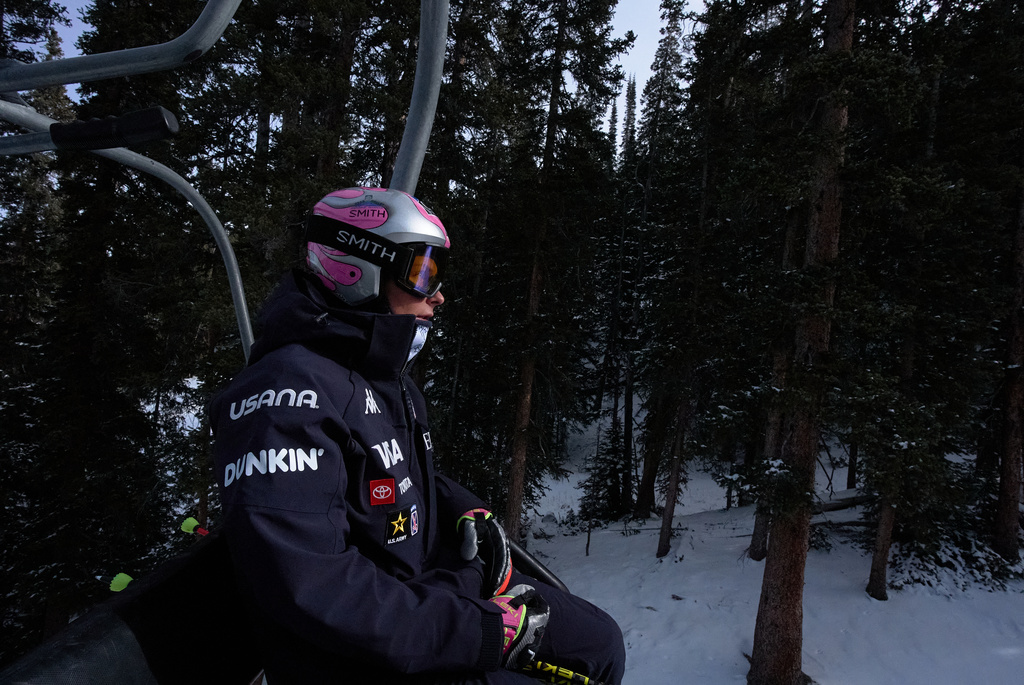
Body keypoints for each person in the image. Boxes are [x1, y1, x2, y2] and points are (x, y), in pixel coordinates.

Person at [210, 187, 625, 685]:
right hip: (364, 654)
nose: (438, 294)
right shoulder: (283, 396)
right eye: (423, 271)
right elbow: (310, 585)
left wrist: (461, 507)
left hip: (425, 594)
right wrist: (480, 632)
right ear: (358, 267)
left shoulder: (378, 373)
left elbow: (400, 471)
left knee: (599, 642)